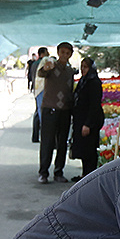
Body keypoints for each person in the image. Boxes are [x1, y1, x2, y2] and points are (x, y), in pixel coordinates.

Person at [37, 42, 76, 183]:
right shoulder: (51, 66)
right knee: (47, 142)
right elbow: (41, 73)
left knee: (62, 143)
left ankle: (58, 172)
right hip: (49, 109)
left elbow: (70, 90)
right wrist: (46, 68)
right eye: (62, 52)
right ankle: (43, 172)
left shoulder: (70, 71)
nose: (64, 55)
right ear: (58, 52)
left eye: (67, 53)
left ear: (70, 55)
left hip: (65, 110)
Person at [69, 58, 104, 180]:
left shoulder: (94, 82)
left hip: (90, 121)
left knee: (89, 149)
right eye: (82, 66)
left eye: (86, 67)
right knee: (83, 149)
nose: (83, 69)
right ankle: (85, 175)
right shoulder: (84, 80)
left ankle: (90, 176)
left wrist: (88, 124)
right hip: (81, 119)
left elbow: (94, 105)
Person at [29, 47, 49, 144]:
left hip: (36, 89)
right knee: (41, 112)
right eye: (46, 52)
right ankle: (42, 135)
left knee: (37, 112)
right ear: (42, 54)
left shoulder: (34, 63)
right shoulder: (43, 63)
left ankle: (35, 136)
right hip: (42, 89)